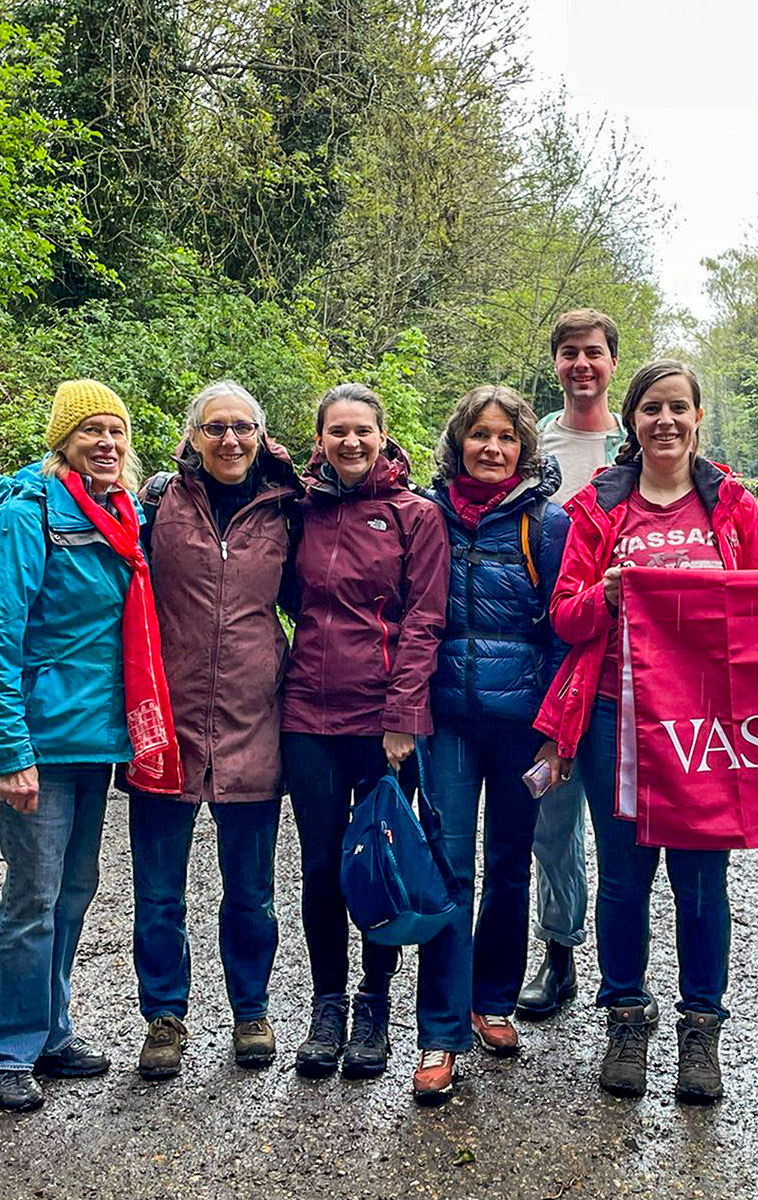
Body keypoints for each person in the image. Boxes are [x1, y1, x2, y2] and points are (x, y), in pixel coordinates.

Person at [533, 359, 758, 1104]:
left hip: (709, 722)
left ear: (697, 417)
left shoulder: (733, 507)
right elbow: (564, 616)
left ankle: (701, 1025)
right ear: (631, 423)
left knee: (702, 879)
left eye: (678, 408)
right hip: (617, 712)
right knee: (624, 874)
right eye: (651, 410)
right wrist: (606, 595)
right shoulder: (597, 510)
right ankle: (625, 1015)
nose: (665, 421)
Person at [0, 378, 168, 1112]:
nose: (106, 443)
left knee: (73, 892)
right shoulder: (26, 514)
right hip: (39, 742)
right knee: (33, 896)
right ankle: (1, 1052)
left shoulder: (118, 514)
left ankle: (48, 1030)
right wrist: (7, 751)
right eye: (90, 432)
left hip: (94, 741)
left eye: (116, 431)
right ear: (62, 442)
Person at [128, 381, 304, 1081]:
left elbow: (323, 598)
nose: (230, 440)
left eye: (242, 428)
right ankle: (165, 1016)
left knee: (252, 890)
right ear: (192, 438)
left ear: (262, 436)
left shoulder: (289, 512)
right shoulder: (157, 506)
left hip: (253, 720)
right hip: (166, 726)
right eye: (215, 428)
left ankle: (251, 1009)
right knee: (159, 891)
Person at [281, 383, 448, 1082]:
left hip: (383, 723)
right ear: (319, 440)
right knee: (320, 866)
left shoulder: (416, 517)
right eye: (336, 432)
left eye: (362, 431)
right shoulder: (302, 511)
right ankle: (327, 1005)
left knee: (379, 862)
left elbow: (425, 621)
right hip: (305, 715)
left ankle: (375, 1003)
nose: (350, 442)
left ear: (384, 437)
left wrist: (404, 717)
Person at [411, 385, 571, 1103]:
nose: (493, 448)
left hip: (520, 724)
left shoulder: (547, 523)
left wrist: (555, 733)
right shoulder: (425, 516)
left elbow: (564, 631)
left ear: (524, 448)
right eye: (480, 434)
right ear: (458, 442)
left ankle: (493, 1001)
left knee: (510, 864)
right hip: (444, 716)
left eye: (506, 437)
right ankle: (439, 1033)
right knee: (448, 870)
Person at [519, 308, 628, 1022]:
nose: (581, 365)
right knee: (550, 815)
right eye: (569, 354)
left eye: (593, 353)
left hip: (631, 663)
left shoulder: (641, 438)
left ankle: (628, 970)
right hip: (551, 648)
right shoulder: (536, 450)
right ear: (556, 363)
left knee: (630, 821)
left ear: (613, 361)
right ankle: (556, 952)